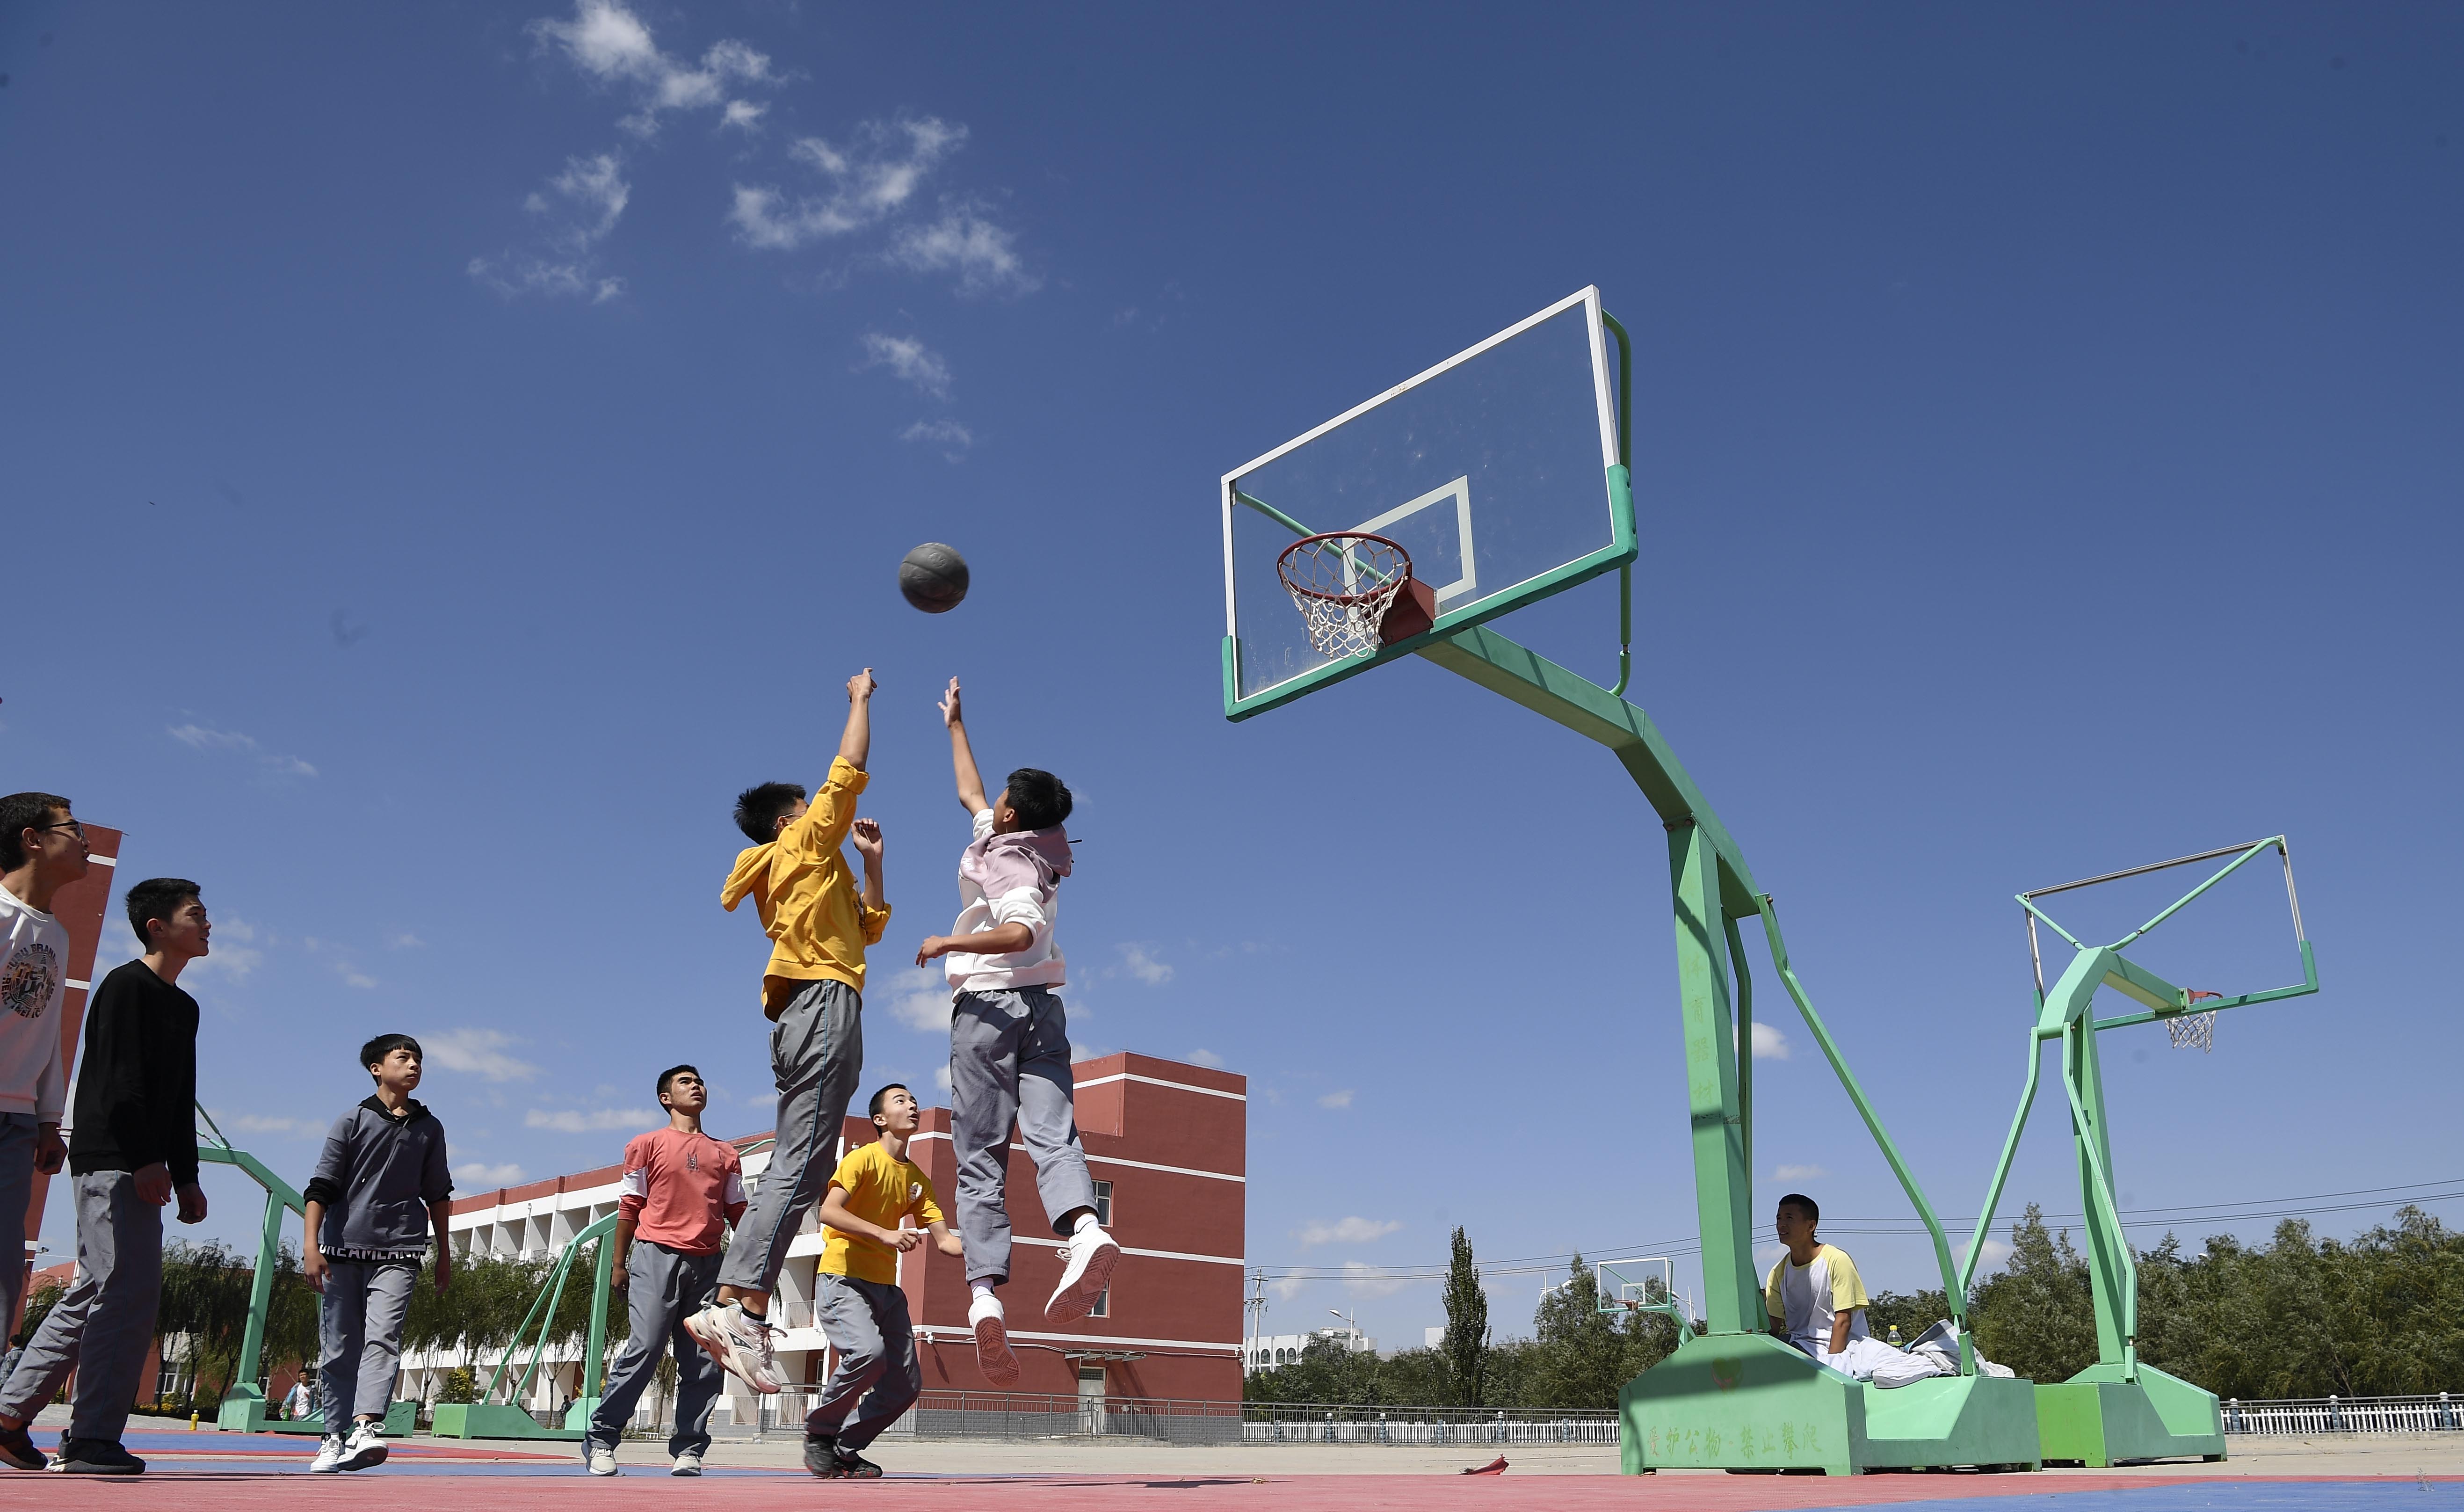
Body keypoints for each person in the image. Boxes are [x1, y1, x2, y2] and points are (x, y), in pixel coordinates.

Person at [688, 670, 889, 1395]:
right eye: (805, 808)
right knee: (800, 1163)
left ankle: (741, 1302)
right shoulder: (801, 843)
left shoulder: (813, 864)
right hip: (822, 1006)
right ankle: (734, 1303)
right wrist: (860, 701)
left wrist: (871, 865)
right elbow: (848, 774)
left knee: (806, 1164)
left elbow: (868, 928)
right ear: (787, 820)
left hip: (812, 1009)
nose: (817, 811)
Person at [915, 678, 1117, 1387]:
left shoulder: (1005, 862)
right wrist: (955, 725)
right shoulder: (1033, 841)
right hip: (1046, 1011)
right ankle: (1086, 1231)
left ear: (1012, 811)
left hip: (990, 1012)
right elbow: (973, 795)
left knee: (980, 1158)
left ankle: (981, 1297)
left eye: (999, 797)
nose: (988, 802)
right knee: (1053, 1135)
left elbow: (1022, 925)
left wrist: (947, 943)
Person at [0, 877, 211, 1475]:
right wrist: (146, 1159)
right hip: (111, 1155)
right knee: (120, 1289)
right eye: (196, 914)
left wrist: (187, 1173)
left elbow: (179, 1096)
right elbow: (120, 1082)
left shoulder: (184, 1005)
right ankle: (89, 1436)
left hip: (142, 1161)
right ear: (157, 927)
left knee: (106, 1288)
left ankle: (16, 1416)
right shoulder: (126, 986)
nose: (208, 923)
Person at [302, 1034, 453, 1474]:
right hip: (342, 1249)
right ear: (376, 1068)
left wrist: (443, 1253)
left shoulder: (430, 1128)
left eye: (419, 1060)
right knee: (339, 1347)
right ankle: (332, 1437)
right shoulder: (351, 1121)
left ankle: (365, 1426)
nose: (414, 1065)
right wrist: (311, 1246)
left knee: (383, 1336)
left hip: (401, 1250)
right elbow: (322, 1187)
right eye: (403, 1058)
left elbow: (438, 1193)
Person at [585, 1065, 745, 1478]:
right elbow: (629, 1207)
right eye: (685, 1082)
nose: (697, 1086)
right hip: (656, 1255)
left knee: (704, 1359)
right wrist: (619, 1264)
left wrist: (748, 1272)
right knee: (645, 1348)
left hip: (708, 1262)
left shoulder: (726, 1153)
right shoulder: (645, 1144)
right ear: (666, 1098)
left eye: (700, 1081)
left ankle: (689, 1450)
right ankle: (601, 1440)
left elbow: (738, 1214)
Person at [802, 1083, 962, 1479]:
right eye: (901, 1100)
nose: (913, 1105)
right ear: (879, 1119)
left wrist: (992, 1250)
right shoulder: (862, 1161)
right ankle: (820, 1433)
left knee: (905, 1386)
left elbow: (945, 1240)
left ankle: (846, 1448)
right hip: (843, 1278)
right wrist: (885, 1234)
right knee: (868, 1353)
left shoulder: (917, 1179)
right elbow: (829, 1212)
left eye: (913, 1099)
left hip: (886, 1289)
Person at [0, 791, 83, 1468]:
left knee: (6, 1275)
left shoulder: (56, 934)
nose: (82, 840)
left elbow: (51, 1036)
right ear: (32, 839)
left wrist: (51, 1118)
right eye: (71, 829)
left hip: (19, 1119)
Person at [1765, 1192, 1897, 1379]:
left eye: (1789, 1218)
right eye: (1779, 1218)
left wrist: (1832, 1372)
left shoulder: (1837, 1260)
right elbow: (1773, 1327)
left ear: (1811, 1226)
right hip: (1800, 1346)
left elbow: (1843, 1321)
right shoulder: (1778, 1272)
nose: (1781, 1225)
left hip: (1841, 1348)